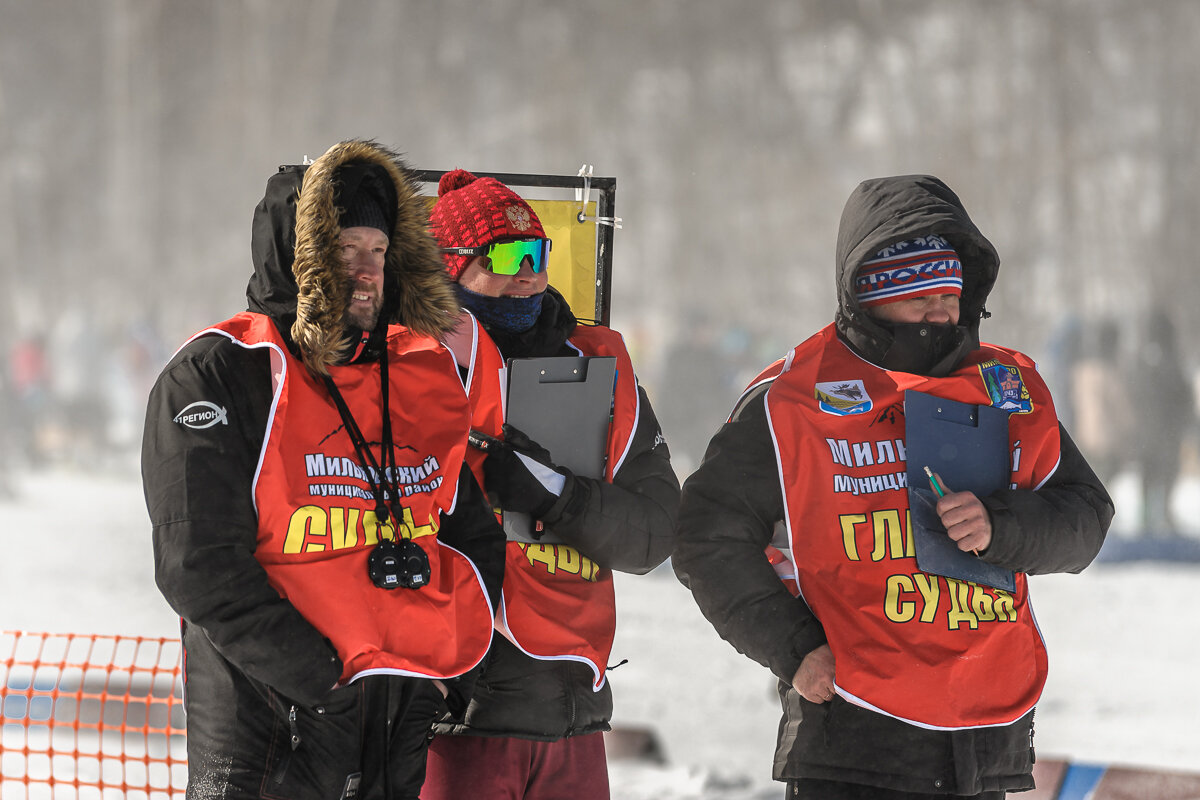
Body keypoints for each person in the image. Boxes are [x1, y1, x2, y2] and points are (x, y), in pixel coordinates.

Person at [672, 174, 1114, 800]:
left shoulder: (1007, 385)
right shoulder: (792, 397)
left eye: (950, 292)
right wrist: (794, 648)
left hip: (987, 738)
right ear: (869, 293)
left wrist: (1002, 528)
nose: (941, 310)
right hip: (852, 740)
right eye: (918, 293)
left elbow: (1085, 518)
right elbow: (704, 538)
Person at [141, 140, 506, 800]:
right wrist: (324, 682)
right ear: (299, 259)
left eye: (378, 251)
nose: (366, 271)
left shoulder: (419, 373)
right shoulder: (220, 372)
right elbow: (199, 566)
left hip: (395, 733)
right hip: (273, 741)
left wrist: (445, 676)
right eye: (344, 251)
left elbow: (468, 530)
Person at [421, 169, 680, 800]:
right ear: (450, 268)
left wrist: (555, 494)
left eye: (538, 253)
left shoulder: (598, 363)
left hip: (574, 715)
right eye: (507, 255)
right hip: (454, 722)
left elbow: (653, 534)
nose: (529, 272)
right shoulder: (409, 364)